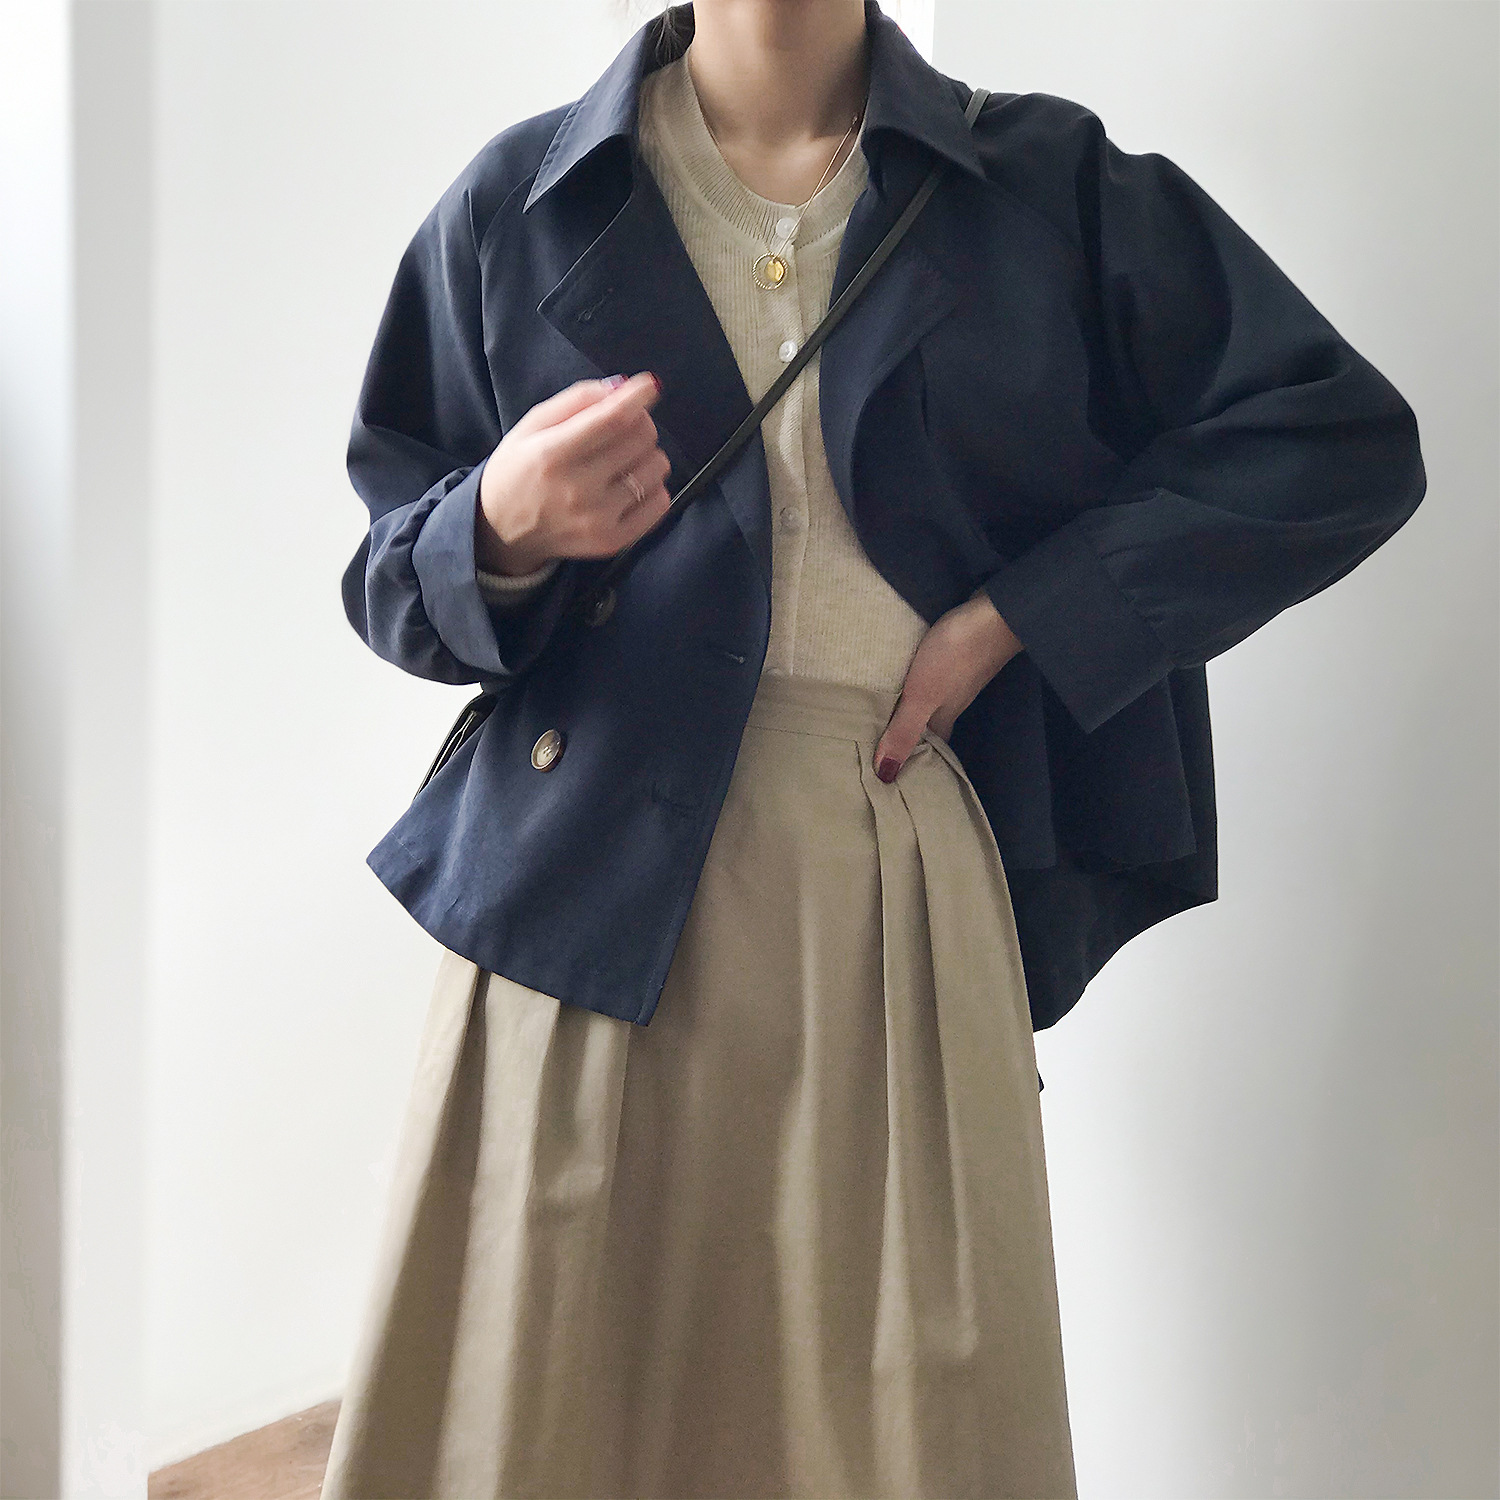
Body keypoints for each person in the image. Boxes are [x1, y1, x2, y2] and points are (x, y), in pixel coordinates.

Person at [318, 2, 1426, 1497]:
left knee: (901, 1418)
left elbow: (1338, 438)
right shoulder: (526, 200)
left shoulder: (1045, 187)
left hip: (889, 883)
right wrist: (498, 527)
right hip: (581, 910)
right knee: (551, 1409)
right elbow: (389, 575)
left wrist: (1022, 618)